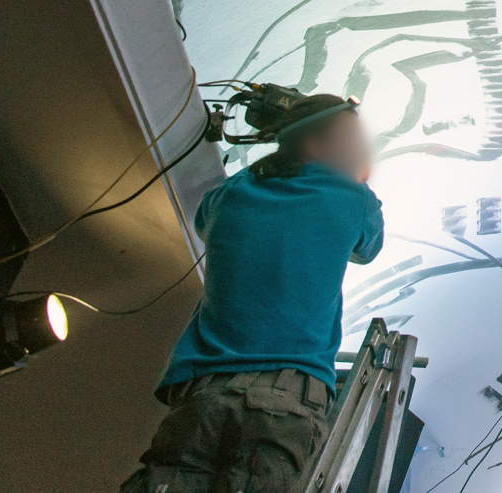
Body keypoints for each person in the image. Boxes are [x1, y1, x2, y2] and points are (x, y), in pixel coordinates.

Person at [122, 93, 383, 493]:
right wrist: (356, 182)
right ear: (314, 145)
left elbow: (204, 221)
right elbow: (369, 247)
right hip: (287, 397)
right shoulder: (354, 199)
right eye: (352, 140)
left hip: (204, 391)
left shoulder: (231, 193)